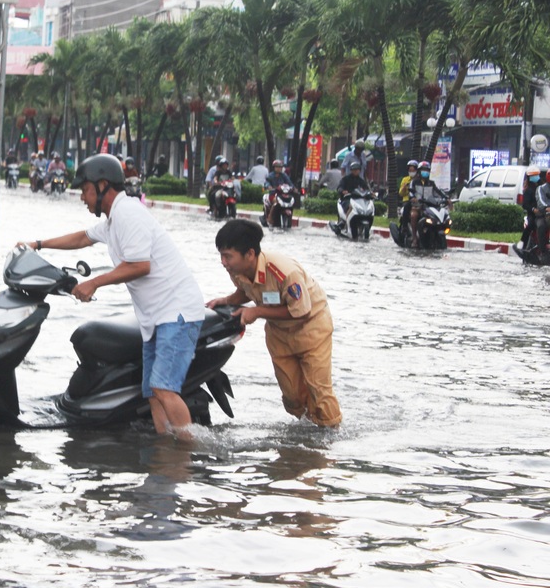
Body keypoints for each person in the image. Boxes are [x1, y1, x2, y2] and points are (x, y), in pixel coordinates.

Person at [18, 154, 206, 440]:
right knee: (153, 394)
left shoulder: (129, 213)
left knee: (164, 389)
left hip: (176, 312)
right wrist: (38, 245)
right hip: (155, 316)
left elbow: (140, 265)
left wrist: (94, 284)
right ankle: (166, 453)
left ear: (102, 185)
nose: (82, 197)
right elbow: (82, 238)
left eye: (85, 190)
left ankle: (188, 451)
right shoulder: (113, 219)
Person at [205, 219, 342, 427]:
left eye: (227, 256)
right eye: (221, 256)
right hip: (279, 333)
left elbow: (302, 312)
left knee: (319, 391)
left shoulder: (284, 272)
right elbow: (246, 291)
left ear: (249, 254)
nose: (223, 262)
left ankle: (331, 436)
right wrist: (225, 301)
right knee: (292, 396)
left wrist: (258, 311)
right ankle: (309, 431)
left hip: (312, 328)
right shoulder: (238, 271)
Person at [408, 161, 451, 248]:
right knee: (414, 215)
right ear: (419, 171)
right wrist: (413, 198)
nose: (425, 172)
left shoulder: (431, 183)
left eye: (427, 170)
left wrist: (446, 198)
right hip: (417, 206)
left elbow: (438, 193)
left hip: (429, 206)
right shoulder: (414, 182)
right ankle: (414, 237)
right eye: (423, 170)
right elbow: (410, 192)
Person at [264, 160, 294, 224]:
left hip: (283, 195)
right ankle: (270, 218)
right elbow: (267, 183)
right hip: (273, 194)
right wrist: (269, 186)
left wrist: (292, 187)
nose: (279, 168)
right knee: (275, 202)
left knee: (291, 202)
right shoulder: (270, 176)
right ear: (274, 167)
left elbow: (289, 183)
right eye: (277, 167)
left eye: (280, 167)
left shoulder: (284, 175)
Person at [522, 165, 543, 244]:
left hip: (544, 212)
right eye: (533, 175)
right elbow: (525, 204)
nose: (536, 177)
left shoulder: (543, 187)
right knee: (529, 226)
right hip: (533, 215)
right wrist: (533, 209)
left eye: (537, 175)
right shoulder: (528, 190)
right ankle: (522, 244)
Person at [534, 169, 550, 259]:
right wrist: (546, 208)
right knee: (541, 226)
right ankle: (543, 251)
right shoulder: (541, 188)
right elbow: (541, 201)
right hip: (543, 215)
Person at [399, 159, 419, 225]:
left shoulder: (419, 180)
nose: (411, 172)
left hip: (419, 200)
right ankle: (404, 226)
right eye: (410, 170)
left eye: (413, 170)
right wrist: (404, 188)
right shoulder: (405, 179)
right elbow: (401, 194)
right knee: (406, 208)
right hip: (407, 200)